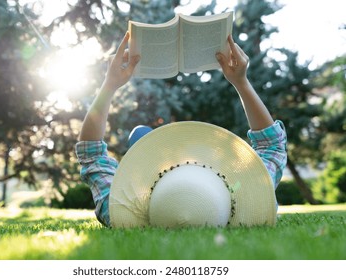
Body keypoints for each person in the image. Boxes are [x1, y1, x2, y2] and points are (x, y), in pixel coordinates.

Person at [75, 32, 287, 228]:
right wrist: (241, 82)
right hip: (224, 191)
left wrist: (109, 84)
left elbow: (91, 154)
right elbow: (272, 146)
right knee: (141, 136)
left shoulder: (118, 214)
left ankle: (148, 150)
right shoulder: (246, 192)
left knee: (141, 136)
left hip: (157, 185)